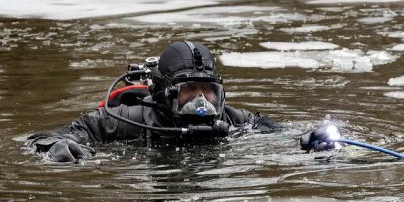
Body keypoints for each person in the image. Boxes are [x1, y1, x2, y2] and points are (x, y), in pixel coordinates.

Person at [27, 41, 287, 162]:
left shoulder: (230, 119)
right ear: (165, 93)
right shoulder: (127, 120)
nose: (201, 100)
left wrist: (312, 139)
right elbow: (42, 137)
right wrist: (55, 146)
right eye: (190, 90)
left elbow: (281, 135)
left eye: (208, 90)